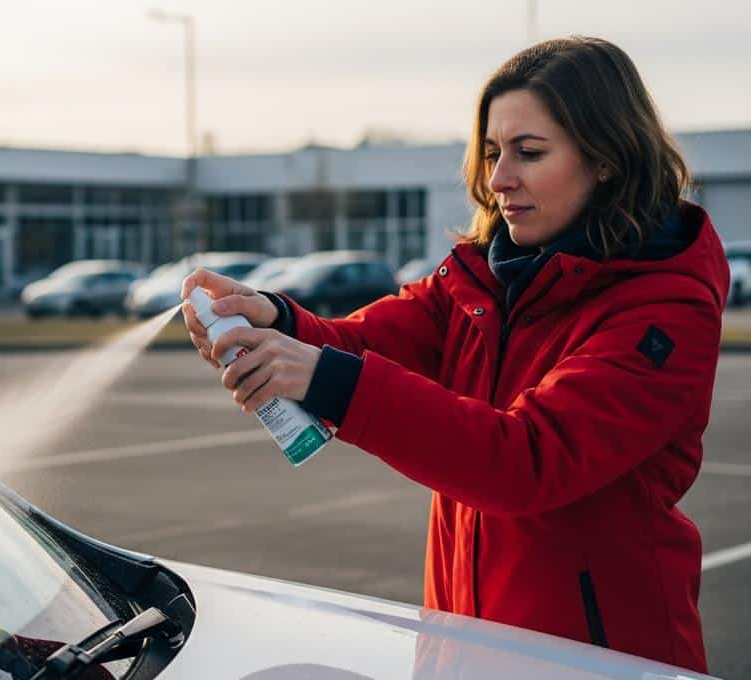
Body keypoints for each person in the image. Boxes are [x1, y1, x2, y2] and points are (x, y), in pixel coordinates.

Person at [181, 36, 728, 674]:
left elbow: (530, 460)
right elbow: (370, 340)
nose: (498, 180)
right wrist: (276, 320)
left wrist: (331, 381)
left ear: (606, 158)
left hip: (600, 660)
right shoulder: (482, 275)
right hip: (464, 649)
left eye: (529, 153)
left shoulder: (662, 308)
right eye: (494, 152)